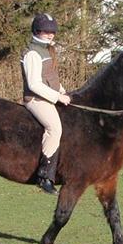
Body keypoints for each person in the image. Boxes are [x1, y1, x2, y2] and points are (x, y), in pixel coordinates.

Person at [21, 12, 71, 194]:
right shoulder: (33, 53)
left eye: (53, 31)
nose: (51, 34)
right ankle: (44, 176)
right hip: (36, 100)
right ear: (37, 31)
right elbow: (34, 84)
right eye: (46, 31)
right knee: (54, 129)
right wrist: (57, 97)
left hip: (49, 97)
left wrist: (63, 91)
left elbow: (51, 77)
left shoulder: (47, 50)